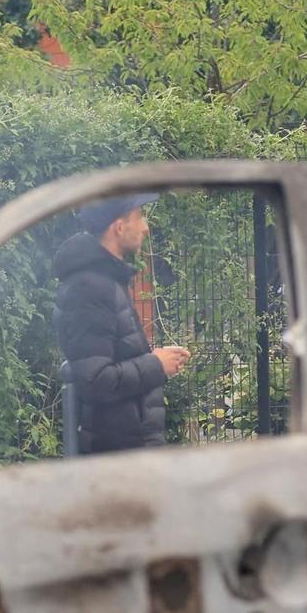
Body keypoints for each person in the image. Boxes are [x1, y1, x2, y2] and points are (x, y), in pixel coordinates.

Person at [53, 193, 190, 455]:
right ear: (118, 227)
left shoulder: (104, 281)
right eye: (139, 217)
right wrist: (156, 364)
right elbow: (95, 380)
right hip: (119, 455)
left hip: (128, 449)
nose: (146, 228)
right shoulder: (90, 289)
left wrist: (156, 360)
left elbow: (108, 362)